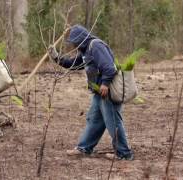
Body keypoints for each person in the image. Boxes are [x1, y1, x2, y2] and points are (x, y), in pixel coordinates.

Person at [48, 25, 134, 160]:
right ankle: (84, 148)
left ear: (81, 39)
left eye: (75, 42)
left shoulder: (95, 46)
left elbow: (109, 67)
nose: (74, 45)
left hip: (108, 92)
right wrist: (56, 57)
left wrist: (105, 83)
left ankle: (124, 154)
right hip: (98, 93)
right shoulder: (85, 51)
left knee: (114, 123)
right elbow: (72, 64)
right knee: (94, 120)